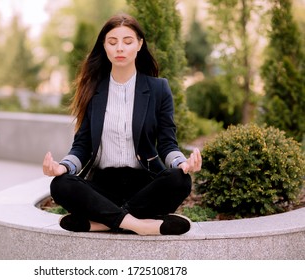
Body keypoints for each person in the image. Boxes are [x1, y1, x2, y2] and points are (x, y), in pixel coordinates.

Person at [42, 13, 202, 235]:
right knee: (60, 185)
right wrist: (63, 167)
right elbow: (82, 145)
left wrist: (181, 163)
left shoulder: (158, 89)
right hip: (103, 186)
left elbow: (167, 143)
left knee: (180, 180)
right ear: (104, 47)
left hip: (144, 186)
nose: (120, 48)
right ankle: (139, 225)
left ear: (139, 45)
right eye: (112, 42)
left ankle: (103, 223)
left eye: (127, 42)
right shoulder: (93, 89)